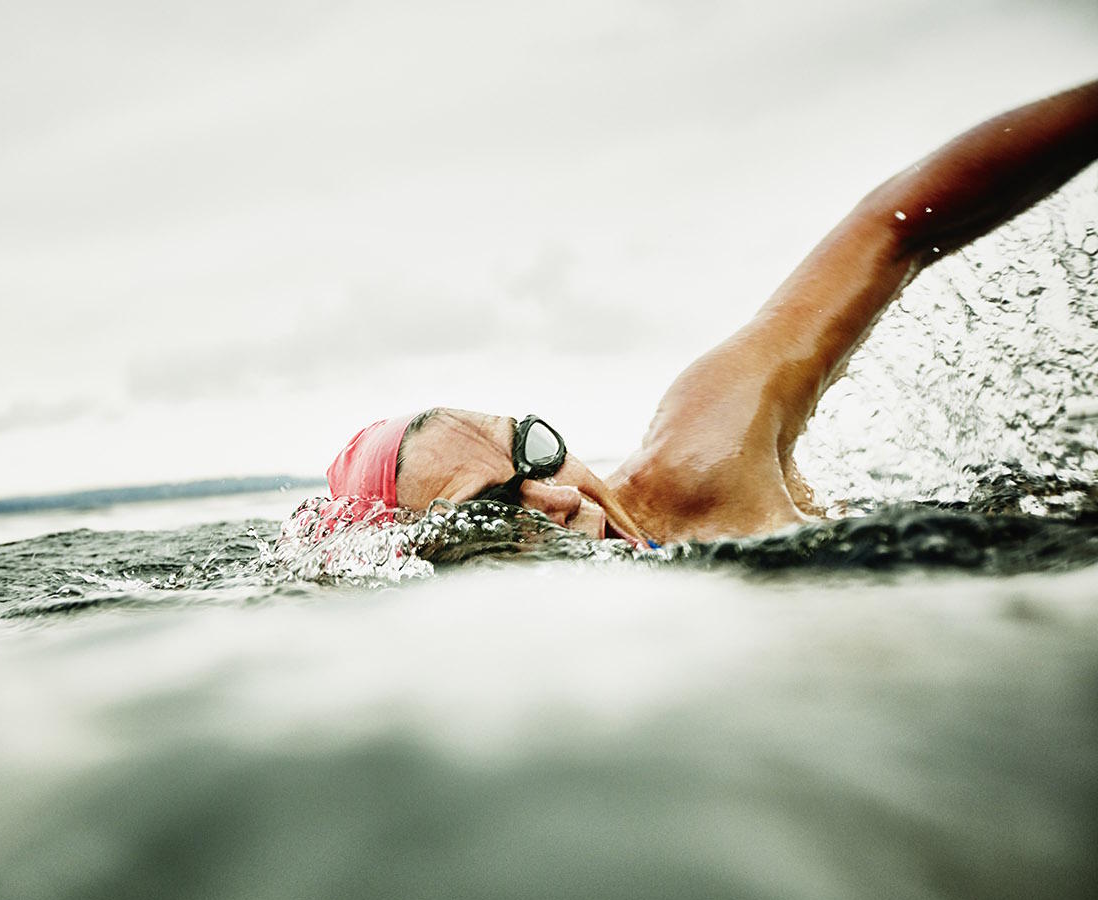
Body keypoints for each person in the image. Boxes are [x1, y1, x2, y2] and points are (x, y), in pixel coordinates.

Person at [325, 77, 1098, 547]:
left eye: (532, 451)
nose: (559, 498)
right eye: (492, 511)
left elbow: (895, 227)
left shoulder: (706, 453)